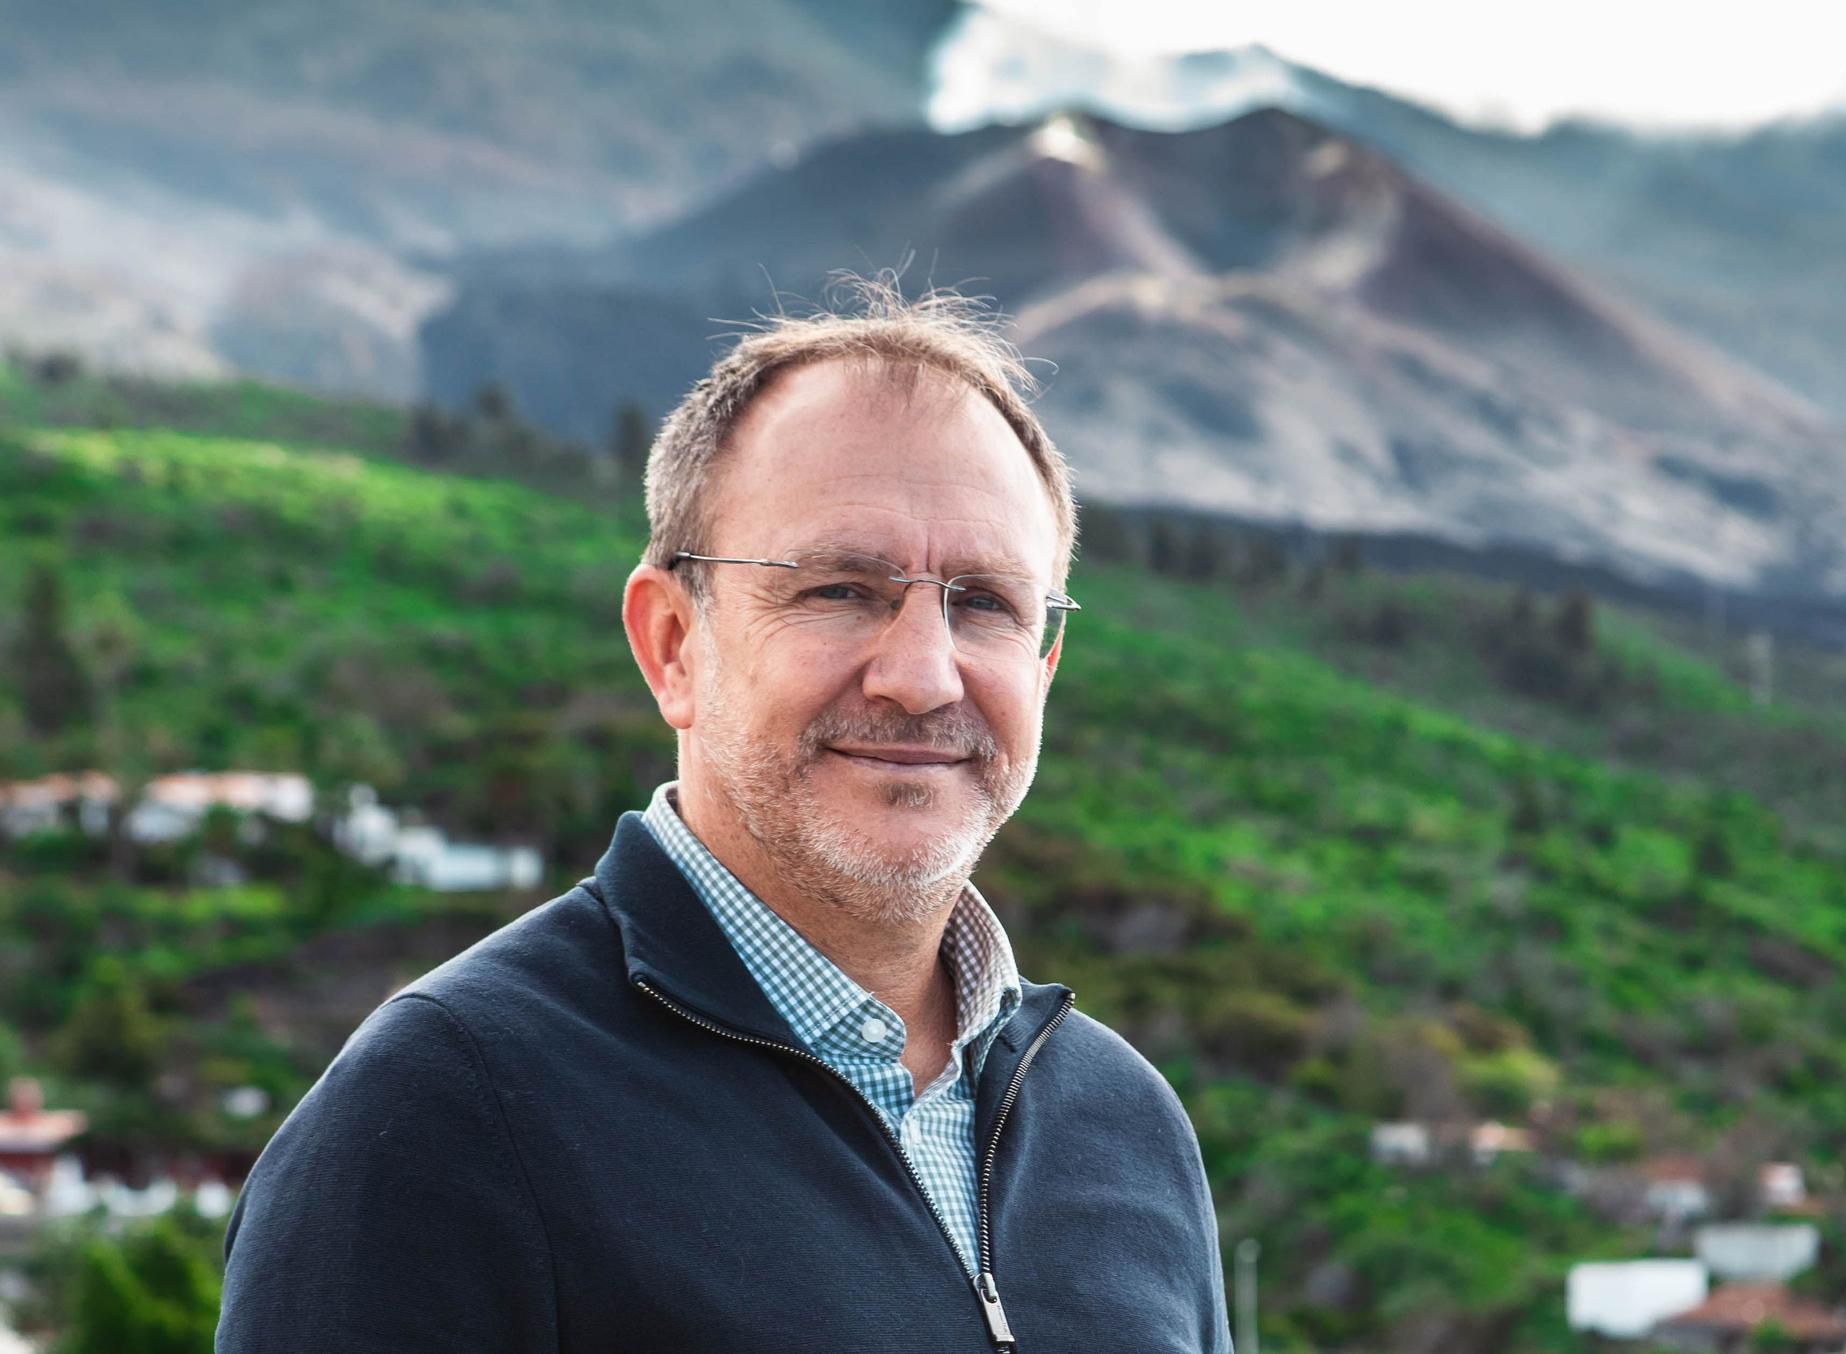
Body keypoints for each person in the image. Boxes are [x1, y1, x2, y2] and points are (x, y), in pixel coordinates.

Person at [215, 281, 1230, 1352]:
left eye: (985, 602)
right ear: (671, 644)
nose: (924, 676)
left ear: (1044, 665)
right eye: (840, 588)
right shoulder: (444, 1114)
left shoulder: (1124, 1124)